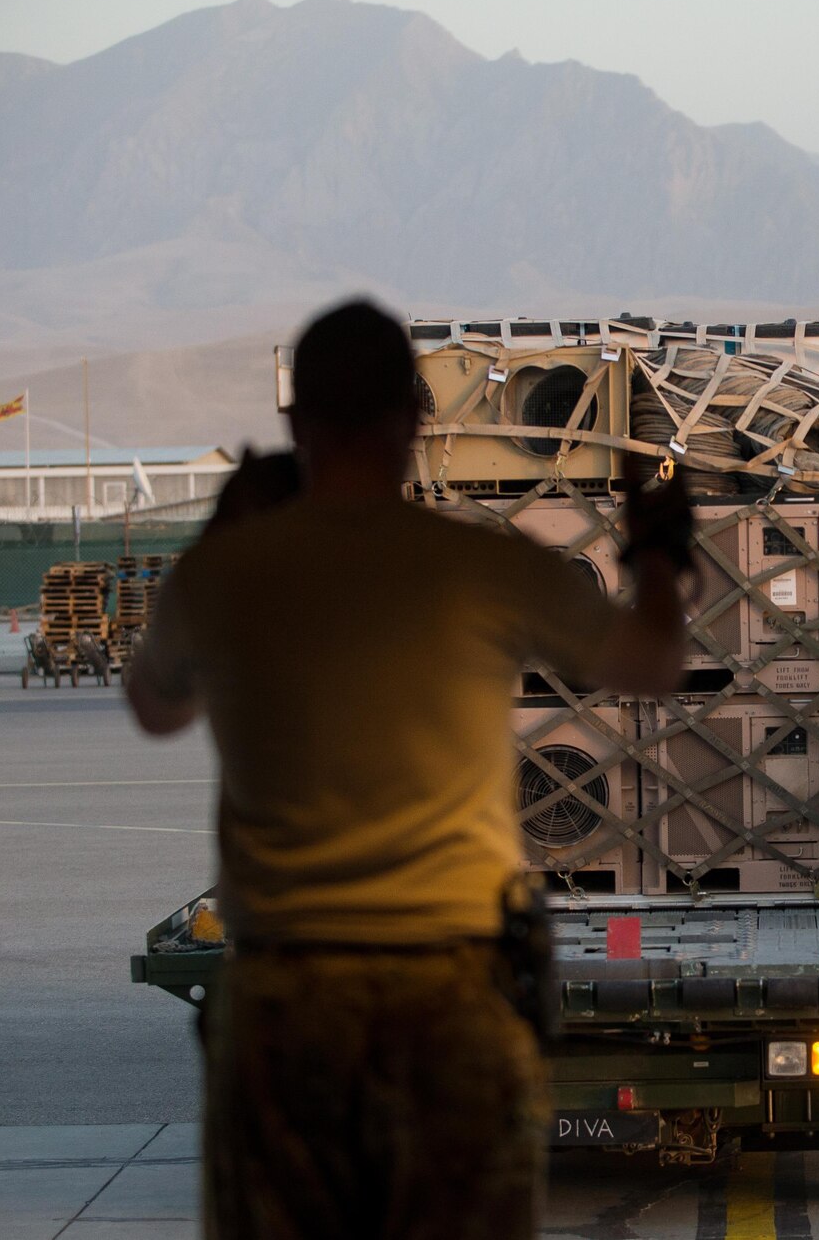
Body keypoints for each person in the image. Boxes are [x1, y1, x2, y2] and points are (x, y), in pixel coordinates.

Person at [124, 299, 691, 1240]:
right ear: (415, 418)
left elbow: (157, 709)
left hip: (284, 1010)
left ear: (294, 423)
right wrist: (661, 548)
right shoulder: (480, 567)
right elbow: (654, 664)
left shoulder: (227, 577)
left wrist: (225, 537)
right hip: (449, 1000)